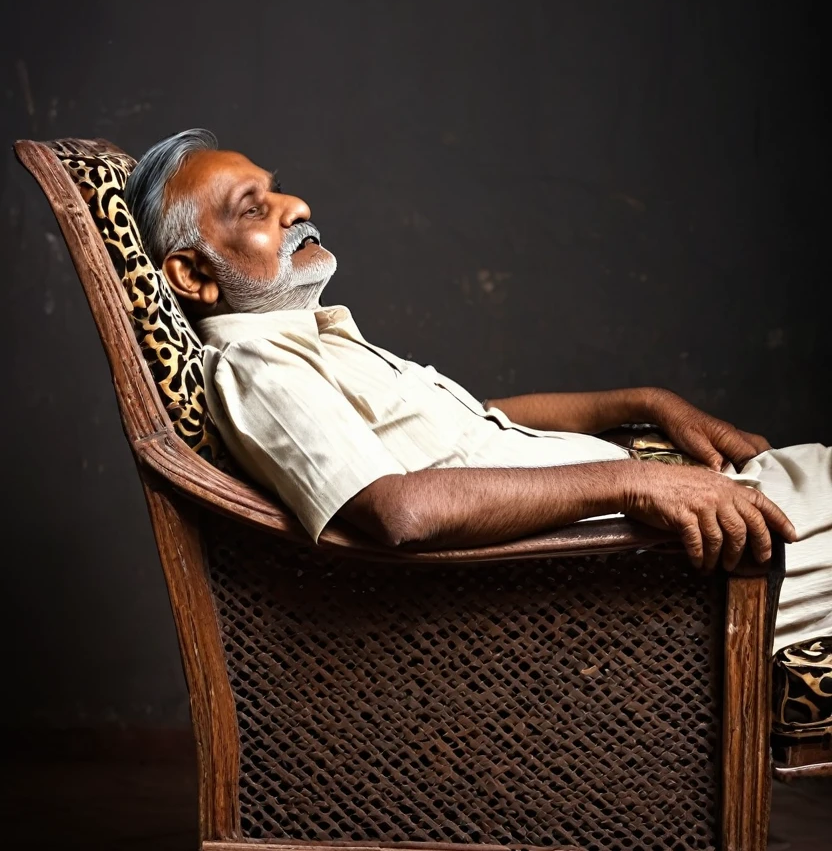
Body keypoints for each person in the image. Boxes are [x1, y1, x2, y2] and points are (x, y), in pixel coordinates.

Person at [125, 129, 832, 654]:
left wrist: (646, 404)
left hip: (661, 518)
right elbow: (397, 510)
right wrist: (634, 485)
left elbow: (482, 426)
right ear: (193, 275)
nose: (296, 204)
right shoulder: (259, 370)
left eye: (275, 188)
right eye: (255, 208)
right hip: (635, 572)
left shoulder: (310, 342)